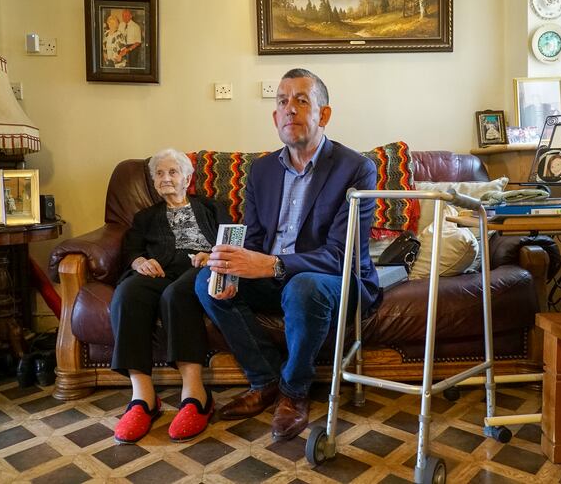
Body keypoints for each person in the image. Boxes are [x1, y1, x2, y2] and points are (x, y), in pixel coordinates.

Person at [194, 68, 380, 442]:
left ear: (323, 115)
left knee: (303, 288)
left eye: (301, 100)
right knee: (206, 281)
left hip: (334, 280)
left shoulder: (356, 169)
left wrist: (274, 265)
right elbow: (256, 240)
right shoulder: (261, 170)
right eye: (282, 102)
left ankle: (294, 392)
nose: (289, 109)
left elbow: (342, 254)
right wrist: (231, 266)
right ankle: (264, 380)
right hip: (274, 276)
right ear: (274, 117)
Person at [109, 148, 232, 444]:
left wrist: (211, 254)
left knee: (177, 295)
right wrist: (139, 262)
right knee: (128, 293)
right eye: (160, 174)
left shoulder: (212, 207)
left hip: (199, 267)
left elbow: (232, 237)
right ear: (153, 182)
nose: (166, 178)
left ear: (187, 179)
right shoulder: (145, 217)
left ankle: (195, 395)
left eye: (173, 172)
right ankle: (143, 399)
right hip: (160, 270)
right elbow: (132, 250)